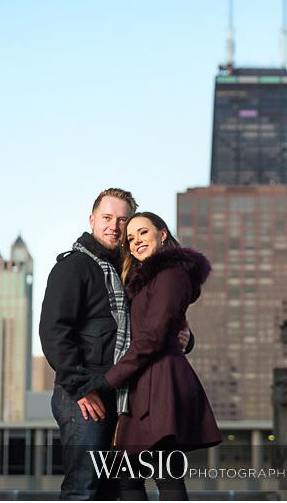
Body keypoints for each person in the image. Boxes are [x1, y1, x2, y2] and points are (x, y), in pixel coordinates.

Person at [39, 189, 191, 501]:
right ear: (92, 219)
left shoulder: (131, 272)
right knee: (84, 486)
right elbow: (54, 332)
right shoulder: (75, 266)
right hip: (84, 395)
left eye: (123, 220)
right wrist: (81, 387)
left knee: (113, 489)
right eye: (107, 217)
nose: (114, 226)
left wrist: (186, 336)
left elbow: (154, 321)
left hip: (123, 395)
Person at [77, 212, 221, 500]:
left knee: (161, 478)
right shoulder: (148, 278)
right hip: (144, 383)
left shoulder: (171, 273)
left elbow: (153, 336)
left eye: (143, 232)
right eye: (130, 238)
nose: (136, 241)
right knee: (129, 478)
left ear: (163, 233)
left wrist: (108, 380)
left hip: (159, 385)